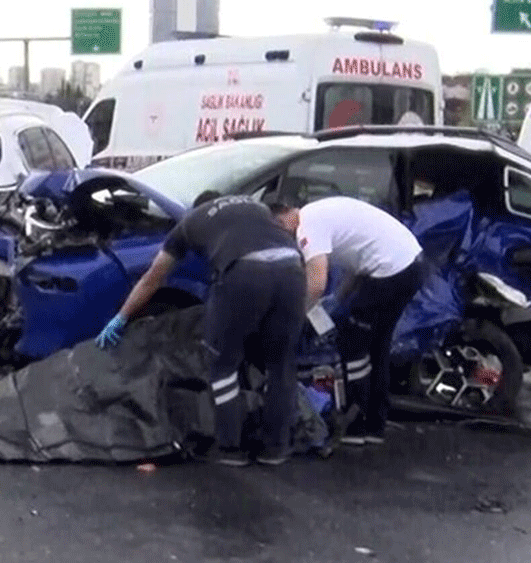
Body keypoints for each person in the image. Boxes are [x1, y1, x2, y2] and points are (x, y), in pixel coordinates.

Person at [95, 190, 306, 467]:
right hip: (292, 269)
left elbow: (153, 278)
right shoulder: (257, 208)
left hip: (244, 273)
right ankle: (275, 449)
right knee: (280, 365)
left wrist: (121, 317)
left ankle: (231, 448)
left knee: (224, 363)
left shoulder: (190, 223)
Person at [270, 196, 425, 446]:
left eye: (280, 230)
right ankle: (376, 425)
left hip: (391, 270)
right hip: (410, 264)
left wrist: (298, 315)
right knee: (378, 345)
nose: (286, 237)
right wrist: (339, 298)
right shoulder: (323, 211)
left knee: (352, 342)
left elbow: (316, 283)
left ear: (284, 217)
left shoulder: (307, 226)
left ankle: (357, 422)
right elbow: (358, 262)